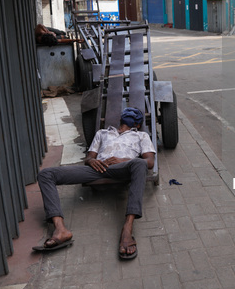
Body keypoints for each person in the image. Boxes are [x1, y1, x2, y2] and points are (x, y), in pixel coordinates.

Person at [33, 107, 155, 260]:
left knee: (139, 164)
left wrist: (123, 160)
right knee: (46, 174)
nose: (130, 114)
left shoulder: (141, 135)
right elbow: (89, 157)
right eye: (128, 112)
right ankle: (60, 229)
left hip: (122, 168)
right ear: (121, 118)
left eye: (134, 115)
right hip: (98, 169)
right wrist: (92, 161)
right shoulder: (102, 133)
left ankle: (127, 228)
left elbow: (149, 162)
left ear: (137, 125)